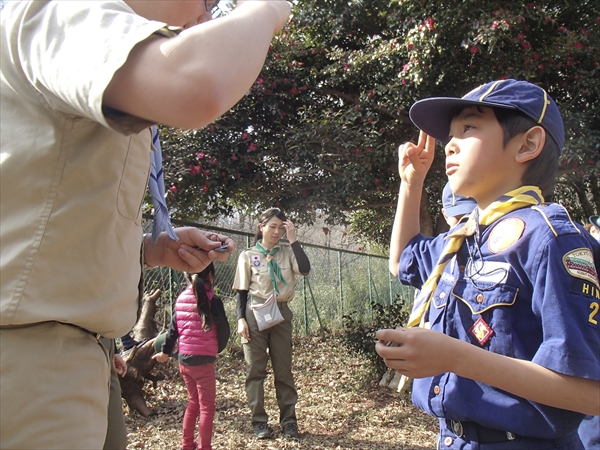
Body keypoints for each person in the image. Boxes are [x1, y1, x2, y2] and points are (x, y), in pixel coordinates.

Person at [0, 0, 291, 448]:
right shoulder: (62, 8)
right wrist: (268, 8)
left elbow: (45, 206)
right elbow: (195, 85)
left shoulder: (95, 46)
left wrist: (148, 250)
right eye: (208, 0)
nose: (207, 16)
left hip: (79, 349)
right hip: (33, 356)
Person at [376, 79, 600, 449]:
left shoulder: (550, 238)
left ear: (527, 144)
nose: (450, 143)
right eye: (451, 133)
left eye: (468, 128)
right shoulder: (464, 237)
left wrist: (455, 358)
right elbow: (402, 262)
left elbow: (589, 393)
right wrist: (411, 183)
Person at [233, 208, 311, 439]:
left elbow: (305, 269)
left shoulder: (287, 252)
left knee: (283, 370)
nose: (277, 232)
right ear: (261, 227)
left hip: (281, 312)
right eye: (272, 227)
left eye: (281, 227)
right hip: (254, 313)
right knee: (255, 370)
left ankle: (289, 422)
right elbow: (241, 291)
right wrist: (240, 320)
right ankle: (259, 422)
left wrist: (294, 239)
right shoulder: (248, 255)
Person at [153, 263, 227, 450]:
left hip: (184, 360)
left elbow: (172, 331)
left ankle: (187, 444)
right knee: (207, 408)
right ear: (211, 275)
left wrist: (164, 352)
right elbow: (224, 330)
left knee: (193, 403)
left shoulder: (181, 299)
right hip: (203, 362)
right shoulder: (213, 299)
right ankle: (204, 447)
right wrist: (218, 348)